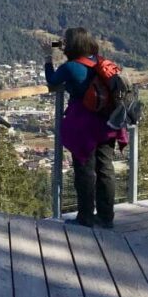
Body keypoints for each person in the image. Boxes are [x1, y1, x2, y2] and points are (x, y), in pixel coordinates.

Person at [43, 28, 128, 228]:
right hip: (107, 122)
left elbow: (52, 80)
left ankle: (86, 217)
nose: (62, 44)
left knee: (85, 171)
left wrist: (48, 56)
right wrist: (58, 44)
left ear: (72, 45)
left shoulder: (70, 67)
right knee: (105, 168)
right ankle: (106, 217)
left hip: (84, 124)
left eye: (65, 42)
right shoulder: (100, 61)